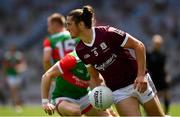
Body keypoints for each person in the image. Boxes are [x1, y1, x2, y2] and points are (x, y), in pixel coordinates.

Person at [66, 5, 165, 116]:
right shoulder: (80, 50)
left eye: (69, 24)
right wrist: (98, 95)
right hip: (119, 91)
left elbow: (138, 45)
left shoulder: (107, 32)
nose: (67, 28)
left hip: (138, 82)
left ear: (81, 24)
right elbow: (94, 76)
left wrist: (141, 75)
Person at [41, 51, 113, 116]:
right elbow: (47, 75)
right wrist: (45, 103)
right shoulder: (72, 59)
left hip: (85, 97)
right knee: (75, 111)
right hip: (63, 98)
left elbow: (98, 81)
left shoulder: (98, 61)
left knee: (109, 115)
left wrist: (102, 102)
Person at [147, 34, 171, 115]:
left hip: (161, 77)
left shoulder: (162, 55)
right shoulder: (149, 54)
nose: (158, 45)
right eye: (156, 43)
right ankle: (149, 112)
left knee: (167, 94)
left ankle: (166, 113)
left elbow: (164, 67)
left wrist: (167, 76)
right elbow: (146, 66)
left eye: (159, 43)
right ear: (153, 43)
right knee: (151, 96)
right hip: (153, 77)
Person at [2, 45, 27, 112]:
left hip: (18, 75)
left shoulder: (18, 55)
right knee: (13, 90)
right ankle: (16, 105)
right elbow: (4, 65)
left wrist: (20, 67)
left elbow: (23, 64)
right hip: (11, 75)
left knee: (17, 90)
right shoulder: (7, 56)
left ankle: (16, 103)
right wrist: (5, 75)